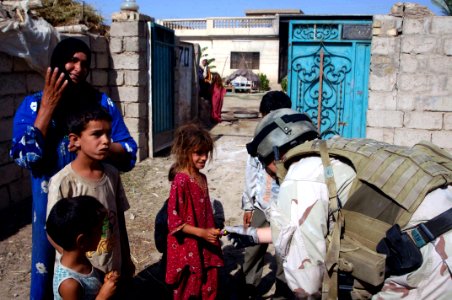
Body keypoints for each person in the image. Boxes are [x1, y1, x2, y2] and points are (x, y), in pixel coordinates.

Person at [225, 108, 452, 299]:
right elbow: (312, 225)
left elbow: (305, 284)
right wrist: (255, 235)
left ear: (274, 155)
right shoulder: (339, 152)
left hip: (434, 258)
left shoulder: (300, 174)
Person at [10, 37, 137, 300]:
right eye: (72, 61)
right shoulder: (33, 106)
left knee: (102, 272)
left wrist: (97, 146)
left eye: (85, 63)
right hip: (51, 205)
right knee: (57, 273)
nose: (79, 68)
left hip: (96, 204)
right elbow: (24, 157)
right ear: (57, 63)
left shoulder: (100, 105)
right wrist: (48, 106)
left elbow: (129, 154)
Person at [47, 106, 135, 293]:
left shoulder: (111, 174)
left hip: (112, 269)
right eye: (97, 134)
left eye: (108, 134)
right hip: (82, 279)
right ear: (75, 140)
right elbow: (52, 232)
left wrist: (126, 259)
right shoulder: (63, 182)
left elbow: (119, 219)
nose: (106, 141)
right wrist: (82, 267)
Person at [240, 91, 293, 299]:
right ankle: (248, 287)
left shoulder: (294, 139)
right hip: (262, 205)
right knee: (253, 248)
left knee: (285, 253)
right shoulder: (258, 139)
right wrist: (248, 204)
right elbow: (251, 171)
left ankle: (283, 292)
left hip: (286, 208)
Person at [165, 123, 224, 299]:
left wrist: (211, 231)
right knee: (188, 288)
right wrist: (202, 233)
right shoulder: (181, 181)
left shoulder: (202, 178)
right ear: (185, 152)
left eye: (206, 153)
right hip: (187, 246)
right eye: (199, 153)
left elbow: (204, 211)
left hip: (204, 242)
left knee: (208, 283)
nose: (204, 158)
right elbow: (174, 222)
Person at [46, 195, 120, 300]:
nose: (103, 234)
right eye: (99, 230)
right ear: (82, 241)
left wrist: (103, 278)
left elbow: (49, 234)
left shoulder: (75, 256)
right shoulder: (70, 285)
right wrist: (103, 296)